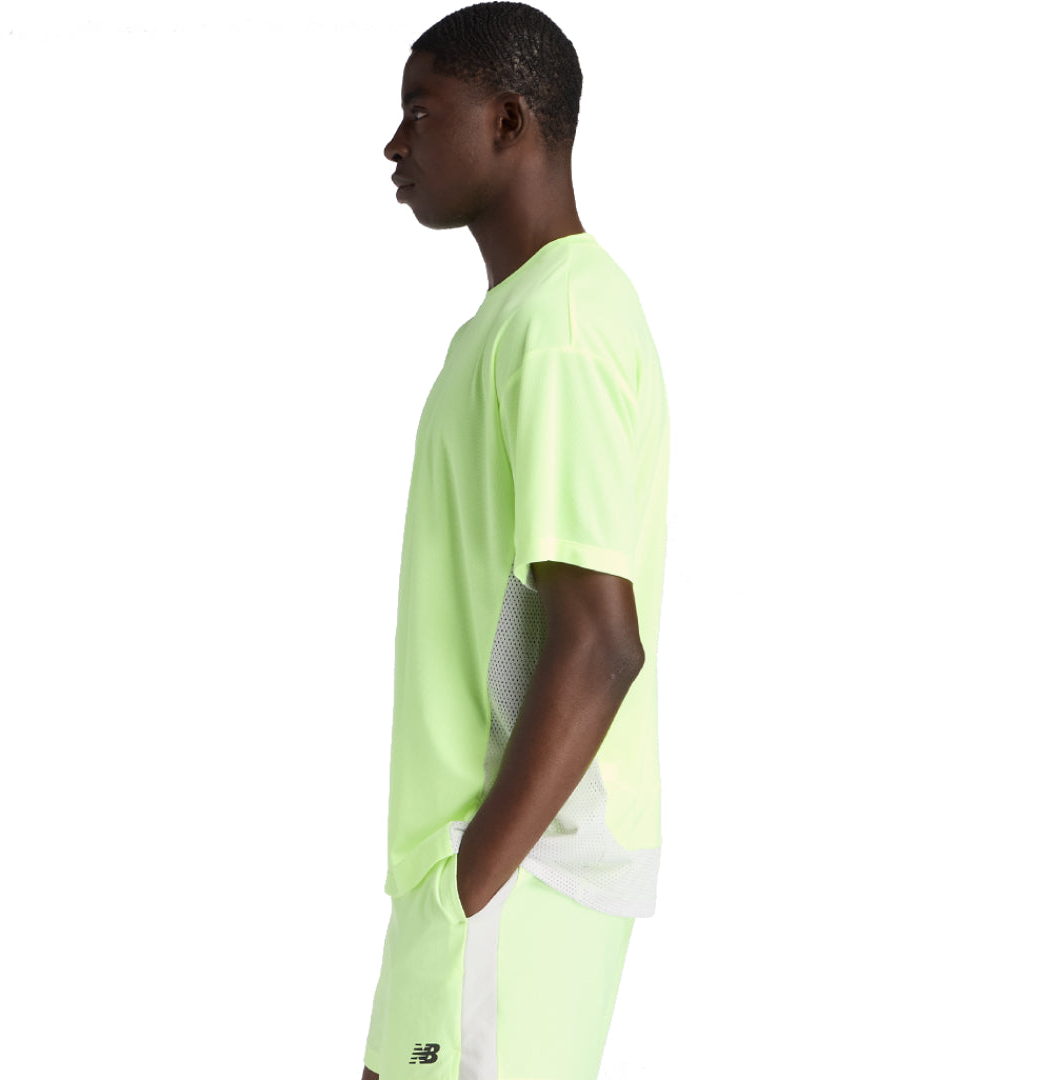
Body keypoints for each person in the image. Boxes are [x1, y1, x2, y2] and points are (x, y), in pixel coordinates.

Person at [362, 4, 670, 1078]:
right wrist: (447, 889)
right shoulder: (519, 319)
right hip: (475, 879)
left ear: (506, 122)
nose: (393, 143)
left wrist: (471, 882)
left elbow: (600, 642)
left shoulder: (562, 328)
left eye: (420, 110)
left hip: (517, 880)